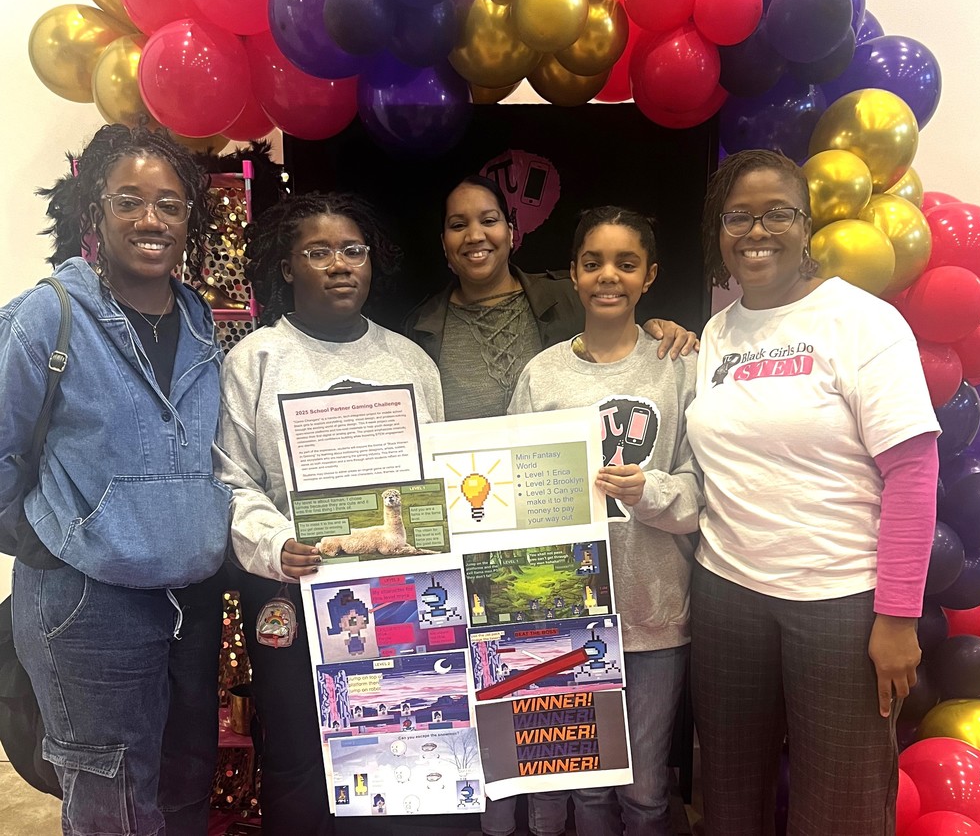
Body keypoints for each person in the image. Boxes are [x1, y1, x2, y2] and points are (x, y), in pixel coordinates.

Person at [685, 150, 940, 836]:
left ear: (806, 226)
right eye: (738, 216)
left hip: (840, 605)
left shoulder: (862, 322)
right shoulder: (717, 331)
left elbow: (914, 473)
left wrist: (897, 617)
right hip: (726, 594)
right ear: (719, 230)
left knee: (843, 810)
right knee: (729, 801)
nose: (756, 230)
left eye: (777, 212)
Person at [0, 124, 230, 835]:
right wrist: (48, 540)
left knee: (188, 785)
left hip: (189, 604)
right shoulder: (50, 315)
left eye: (171, 204)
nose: (152, 220)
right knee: (114, 804)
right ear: (93, 210)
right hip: (87, 606)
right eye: (130, 200)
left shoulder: (197, 320)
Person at [214, 191, 444, 836]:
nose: (340, 265)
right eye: (318, 252)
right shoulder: (253, 361)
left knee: (398, 743)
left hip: (395, 593)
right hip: (294, 585)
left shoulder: (410, 363)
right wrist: (275, 542)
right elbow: (231, 478)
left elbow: (437, 479)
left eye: (353, 250)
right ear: (287, 268)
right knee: (296, 756)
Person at [509, 206, 701, 836]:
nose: (608, 276)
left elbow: (705, 488)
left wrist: (651, 490)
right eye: (592, 263)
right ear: (573, 274)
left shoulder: (678, 366)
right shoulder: (541, 375)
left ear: (650, 275)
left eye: (626, 263)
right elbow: (511, 488)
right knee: (586, 791)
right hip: (566, 614)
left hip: (654, 611)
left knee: (646, 790)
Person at [406, 174, 697, 421]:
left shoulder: (567, 295)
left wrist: (660, 329)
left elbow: (617, 324)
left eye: (488, 220)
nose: (474, 235)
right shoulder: (422, 327)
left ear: (510, 233)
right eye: (458, 225)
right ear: (444, 243)